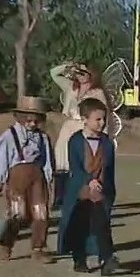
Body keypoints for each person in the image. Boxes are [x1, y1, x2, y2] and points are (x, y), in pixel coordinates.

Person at [57, 98, 119, 275]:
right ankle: (79, 259)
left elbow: (110, 169)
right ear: (84, 119)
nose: (102, 123)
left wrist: (109, 190)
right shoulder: (75, 141)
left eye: (103, 119)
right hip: (80, 191)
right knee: (80, 226)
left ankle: (106, 259)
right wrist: (88, 180)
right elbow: (75, 167)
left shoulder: (107, 142)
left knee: (102, 225)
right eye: (97, 119)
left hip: (100, 192)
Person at [0, 96, 55, 262]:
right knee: (17, 213)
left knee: (40, 212)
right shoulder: (9, 136)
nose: (32, 124)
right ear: (20, 117)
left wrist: (48, 176)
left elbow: (47, 159)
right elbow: (2, 158)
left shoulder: (42, 137)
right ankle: (7, 244)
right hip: (17, 178)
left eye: (36, 121)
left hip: (37, 178)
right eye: (29, 120)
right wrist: (0, 180)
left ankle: (38, 248)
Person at [51, 62, 108, 210]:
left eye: (83, 73)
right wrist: (68, 66)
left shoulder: (97, 93)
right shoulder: (71, 87)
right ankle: (59, 197)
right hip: (69, 126)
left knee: (81, 161)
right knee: (62, 161)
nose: (80, 76)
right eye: (78, 73)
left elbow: (103, 114)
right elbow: (54, 73)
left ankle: (81, 195)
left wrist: (104, 135)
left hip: (85, 128)